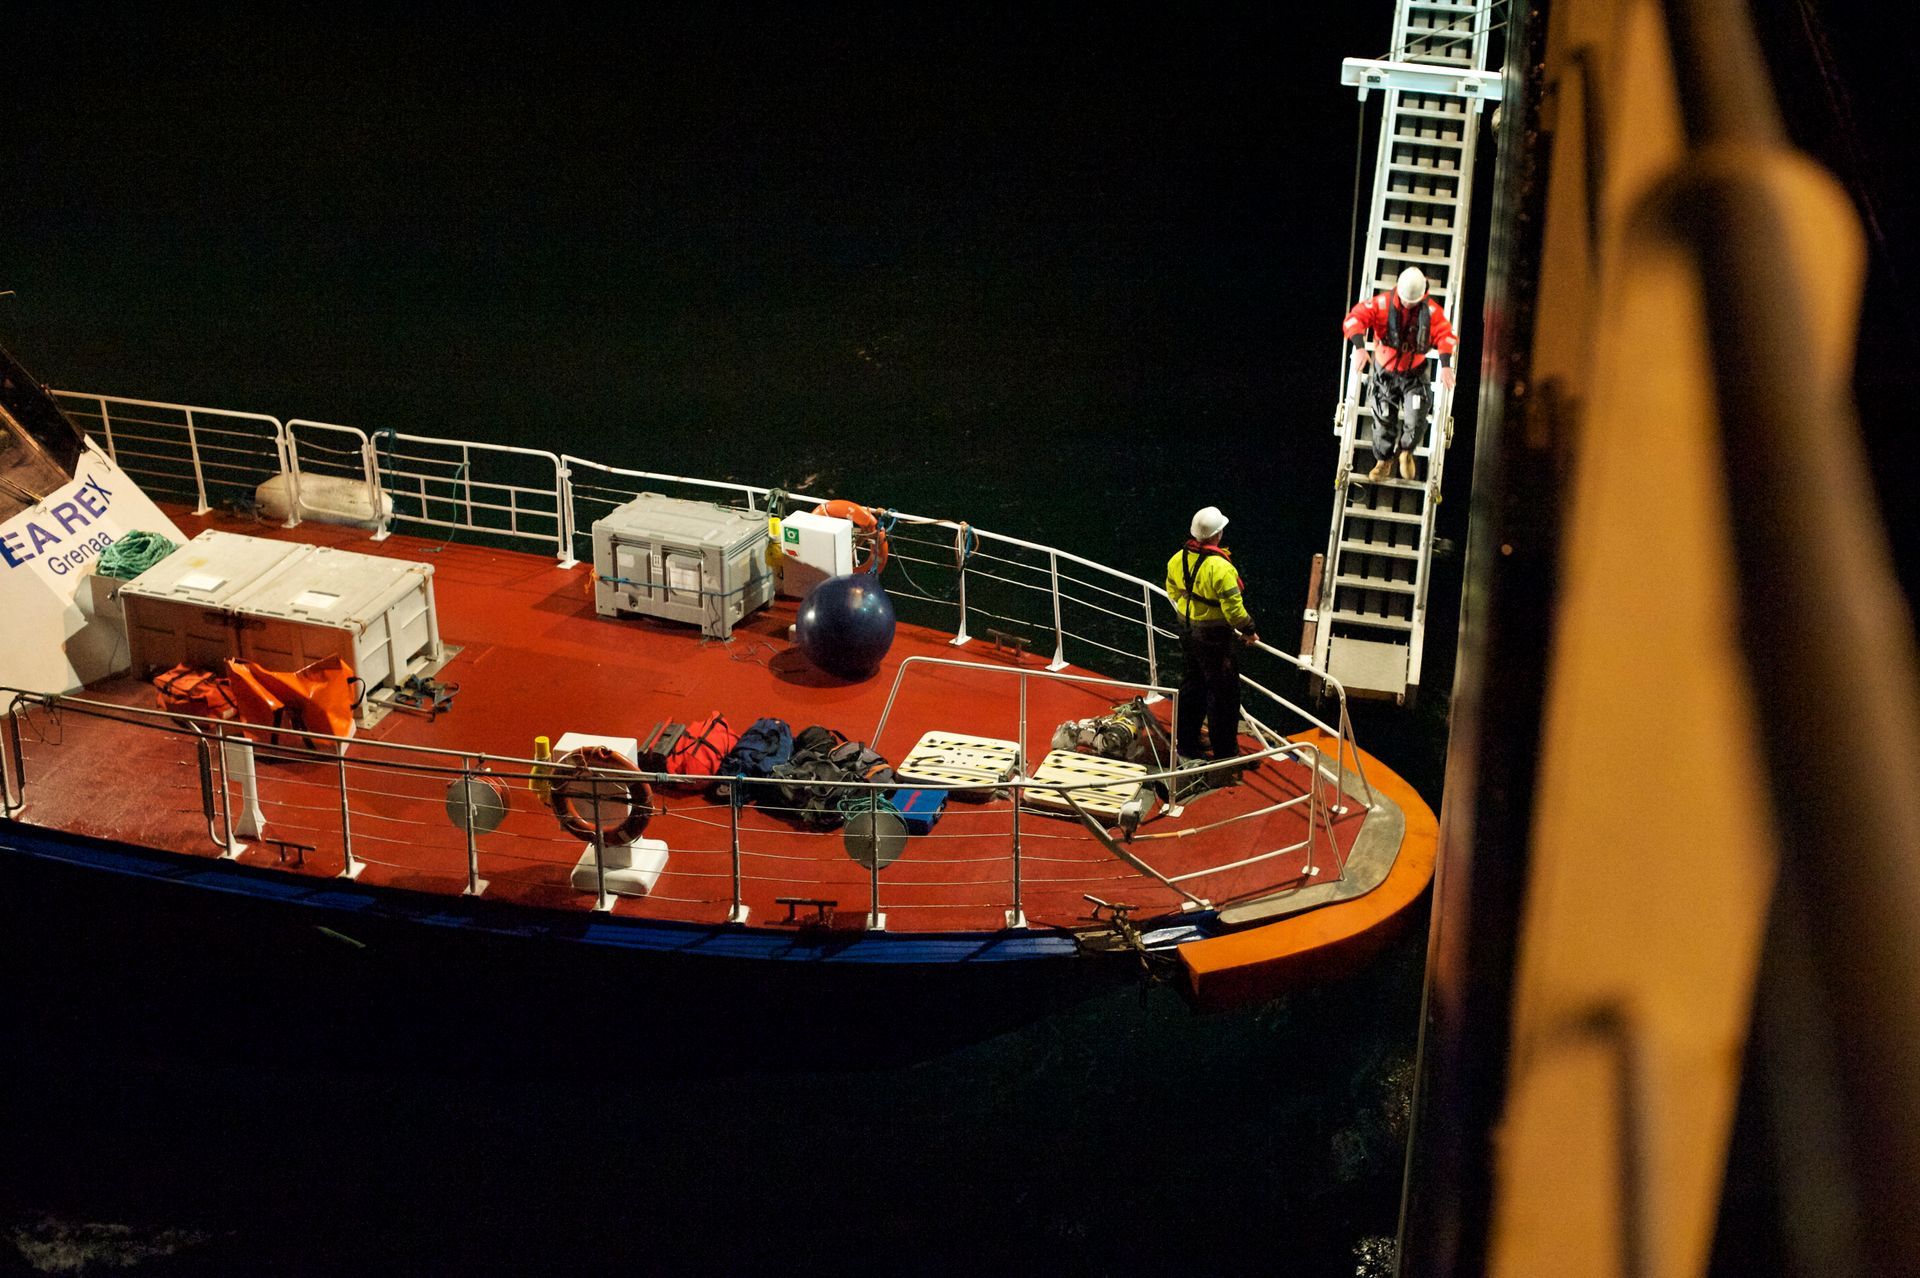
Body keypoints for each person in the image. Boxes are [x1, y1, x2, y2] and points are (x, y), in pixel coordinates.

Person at [1165, 506, 1259, 787]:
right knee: (1224, 697)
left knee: (1192, 688)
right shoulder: (1221, 568)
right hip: (1214, 638)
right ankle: (1225, 756)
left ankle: (1188, 745)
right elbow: (1234, 610)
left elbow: (1172, 591)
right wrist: (1249, 630)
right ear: (1218, 534)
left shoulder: (1177, 559)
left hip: (1187, 631)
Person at [1342, 266, 1458, 482]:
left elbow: (1446, 335)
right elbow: (1354, 319)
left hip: (1414, 375)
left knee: (1416, 417)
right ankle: (1383, 461)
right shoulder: (1382, 304)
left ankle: (1406, 452)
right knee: (1384, 417)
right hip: (1384, 372)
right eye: (1405, 300)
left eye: (1413, 301)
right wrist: (1359, 347)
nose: (1408, 304)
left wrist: (1445, 364)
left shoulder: (1431, 312)